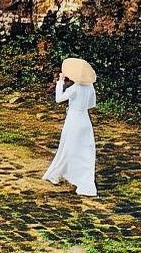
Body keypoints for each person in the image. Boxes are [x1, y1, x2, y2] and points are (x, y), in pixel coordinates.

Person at [43, 57, 98, 197]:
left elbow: (58, 99)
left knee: (67, 147)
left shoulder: (75, 88)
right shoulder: (90, 87)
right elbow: (91, 104)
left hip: (73, 119)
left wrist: (60, 82)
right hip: (85, 120)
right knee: (85, 150)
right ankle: (84, 179)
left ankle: (59, 173)